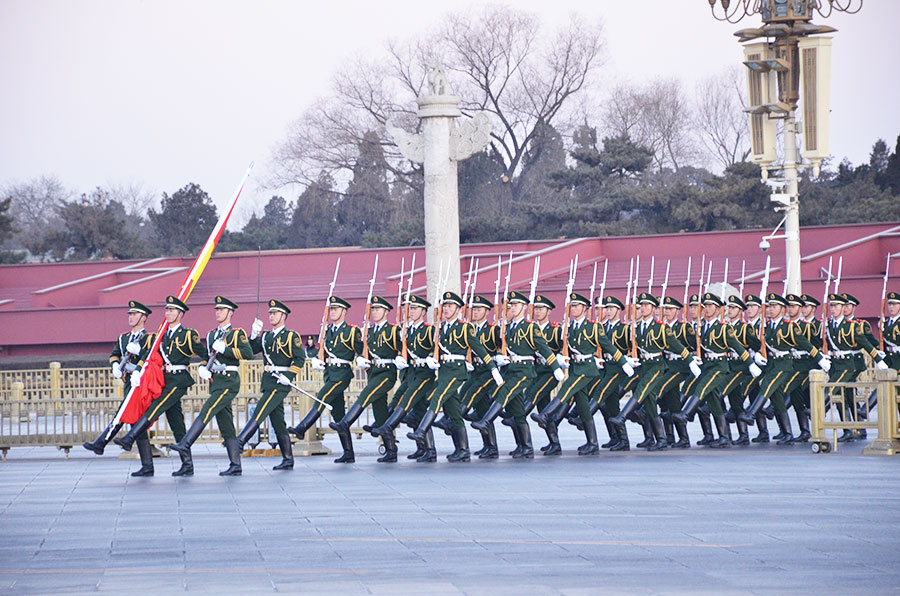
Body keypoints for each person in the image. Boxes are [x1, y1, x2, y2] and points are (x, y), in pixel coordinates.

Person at [531, 292, 636, 456]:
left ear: (585, 308)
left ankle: (546, 414)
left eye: (577, 306)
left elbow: (608, 346)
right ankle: (592, 443)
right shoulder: (568, 327)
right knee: (583, 406)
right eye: (572, 306)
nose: (574, 309)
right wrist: (559, 357)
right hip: (574, 367)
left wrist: (623, 362)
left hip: (587, 369)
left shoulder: (593, 327)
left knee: (566, 388)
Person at [111, 296, 205, 477]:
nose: (168, 313)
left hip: (178, 380)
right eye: (167, 310)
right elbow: (149, 355)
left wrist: (204, 368)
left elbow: (204, 353)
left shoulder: (187, 334)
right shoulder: (161, 335)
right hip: (165, 380)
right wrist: (138, 368)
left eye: (172, 310)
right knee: (176, 422)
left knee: (155, 407)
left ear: (180, 314)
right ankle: (187, 464)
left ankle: (130, 438)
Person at [407, 290, 500, 463]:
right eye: (445, 306)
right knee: (453, 411)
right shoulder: (440, 328)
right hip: (443, 370)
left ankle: (421, 430)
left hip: (456, 371)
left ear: (458, 309)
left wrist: (493, 368)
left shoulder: (465, 328)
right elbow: (433, 348)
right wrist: (430, 358)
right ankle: (462, 449)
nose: (446, 309)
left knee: (437, 396)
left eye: (450, 306)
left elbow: (479, 349)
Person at [472, 291, 564, 459]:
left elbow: (544, 348)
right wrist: (498, 357)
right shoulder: (508, 327)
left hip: (524, 371)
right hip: (511, 368)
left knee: (504, 392)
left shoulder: (530, 327)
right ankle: (525, 446)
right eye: (511, 305)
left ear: (524, 307)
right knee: (517, 410)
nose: (512, 308)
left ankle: (486, 421)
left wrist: (556, 366)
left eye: (515, 305)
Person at [167, 296, 253, 475]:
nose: (218, 313)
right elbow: (207, 357)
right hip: (216, 380)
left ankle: (185, 443)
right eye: (217, 310)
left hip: (229, 380)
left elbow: (248, 353)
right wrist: (202, 367)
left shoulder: (237, 333)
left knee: (208, 409)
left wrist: (226, 350)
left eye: (222, 310)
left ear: (230, 313)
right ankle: (235, 464)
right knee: (225, 422)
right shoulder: (213, 334)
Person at [738, 293, 830, 445]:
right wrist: (754, 356)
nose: (770, 310)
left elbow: (807, 344)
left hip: (785, 363)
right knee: (778, 396)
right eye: (768, 307)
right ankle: (787, 433)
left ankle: (751, 413)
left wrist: (820, 358)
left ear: (782, 309)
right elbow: (757, 344)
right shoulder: (766, 327)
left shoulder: (789, 327)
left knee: (768, 384)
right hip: (771, 362)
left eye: (774, 307)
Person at [610, 293, 697, 451]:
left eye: (646, 306)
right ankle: (662, 439)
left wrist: (691, 361)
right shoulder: (637, 328)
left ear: (653, 308)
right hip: (644, 365)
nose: (643, 308)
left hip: (658, 366)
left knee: (644, 389)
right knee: (651, 401)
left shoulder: (661, 328)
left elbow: (678, 346)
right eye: (641, 306)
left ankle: (622, 416)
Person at [675, 293, 761, 448]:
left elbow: (738, 347)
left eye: (710, 306)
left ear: (717, 308)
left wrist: (750, 363)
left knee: (703, 387)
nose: (707, 309)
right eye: (705, 306)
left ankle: (686, 413)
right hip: (707, 364)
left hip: (720, 366)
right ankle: (724, 436)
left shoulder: (723, 328)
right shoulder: (703, 327)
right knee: (714, 401)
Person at [330, 295, 403, 463]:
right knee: (380, 410)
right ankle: (391, 450)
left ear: (386, 312)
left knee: (367, 394)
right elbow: (362, 351)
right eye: (373, 309)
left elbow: (403, 348)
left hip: (386, 373)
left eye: (377, 309)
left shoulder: (392, 330)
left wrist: (400, 357)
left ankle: (346, 422)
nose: (374, 312)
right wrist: (360, 358)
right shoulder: (368, 332)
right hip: (373, 372)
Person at [238, 299, 305, 470]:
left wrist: (289, 375)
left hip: (281, 382)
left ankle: (240, 441)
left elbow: (299, 358)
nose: (271, 316)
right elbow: (251, 351)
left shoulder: (291, 336)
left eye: (275, 313)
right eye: (270, 313)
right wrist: (253, 335)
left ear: (283, 316)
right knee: (277, 421)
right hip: (269, 380)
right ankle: (288, 459)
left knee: (261, 409)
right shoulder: (266, 336)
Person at [83, 300, 154, 459]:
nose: (130, 317)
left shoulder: (149, 338)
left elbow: (149, 356)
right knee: (134, 419)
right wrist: (115, 365)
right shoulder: (123, 338)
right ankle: (147, 465)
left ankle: (101, 442)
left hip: (141, 382)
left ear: (143, 317)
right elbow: (114, 354)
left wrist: (139, 360)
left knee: (124, 412)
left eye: (134, 314)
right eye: (129, 313)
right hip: (129, 381)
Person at [287, 296, 360, 441]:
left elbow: (362, 351)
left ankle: (302, 427)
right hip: (329, 374)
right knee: (338, 413)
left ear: (344, 311)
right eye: (331, 309)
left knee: (322, 397)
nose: (332, 312)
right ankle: (348, 452)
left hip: (342, 374)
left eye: (336, 309)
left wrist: (362, 360)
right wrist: (317, 359)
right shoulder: (327, 330)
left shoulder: (351, 331)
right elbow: (323, 351)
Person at [372, 294, 435, 461]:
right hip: (411, 373)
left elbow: (436, 347)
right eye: (410, 309)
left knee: (407, 400)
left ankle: (388, 426)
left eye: (415, 309)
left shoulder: (429, 329)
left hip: (424, 374)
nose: (411, 311)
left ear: (424, 311)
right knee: (420, 410)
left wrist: (430, 356)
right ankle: (427, 449)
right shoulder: (406, 331)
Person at [656, 296, 697, 448]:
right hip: (667, 366)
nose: (667, 312)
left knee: (659, 388)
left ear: (677, 311)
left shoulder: (684, 328)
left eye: (670, 309)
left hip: (680, 367)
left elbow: (694, 345)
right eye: (665, 309)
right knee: (670, 404)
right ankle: (677, 437)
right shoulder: (662, 327)